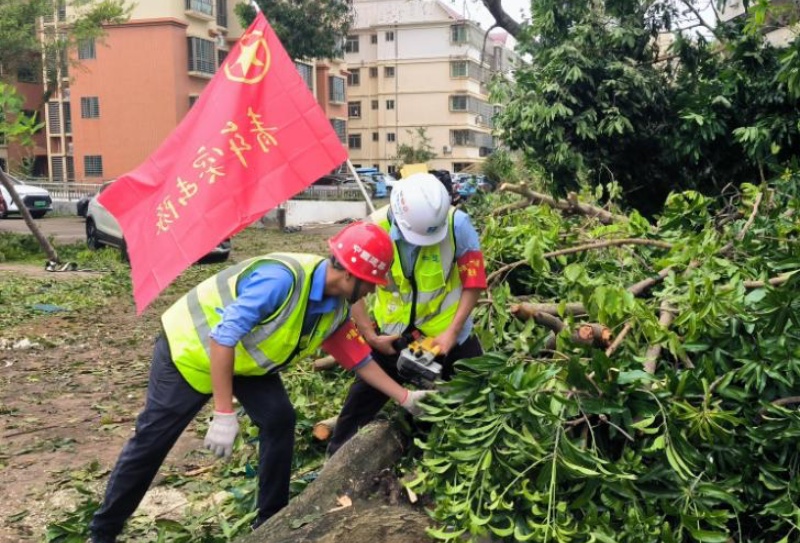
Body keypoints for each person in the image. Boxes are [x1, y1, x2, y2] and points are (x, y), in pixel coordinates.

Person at [89, 221, 429, 543]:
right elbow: (222, 338)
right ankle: (103, 531)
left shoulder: (336, 308)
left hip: (245, 363)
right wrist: (224, 413)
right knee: (153, 440)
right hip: (190, 350)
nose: (371, 291)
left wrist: (404, 398)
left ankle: (271, 521)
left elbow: (359, 359)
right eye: (371, 282)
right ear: (351, 273)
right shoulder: (281, 280)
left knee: (279, 419)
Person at [327, 173, 488, 456]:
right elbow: (351, 287)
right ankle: (335, 465)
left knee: (481, 401)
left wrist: (451, 333)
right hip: (392, 338)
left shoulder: (456, 224)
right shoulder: (372, 228)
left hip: (444, 338)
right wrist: (369, 335)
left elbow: (473, 282)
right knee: (354, 416)